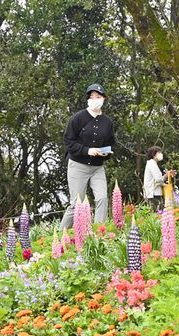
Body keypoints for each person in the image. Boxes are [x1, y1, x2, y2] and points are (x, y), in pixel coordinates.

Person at [60, 83, 116, 229]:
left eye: (98, 97)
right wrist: (87, 150)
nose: (95, 100)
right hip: (78, 165)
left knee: (102, 198)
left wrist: (105, 152)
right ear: (88, 100)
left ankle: (99, 233)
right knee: (76, 203)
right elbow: (68, 141)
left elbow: (111, 144)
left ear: (103, 99)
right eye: (92, 97)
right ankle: (60, 235)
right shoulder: (77, 118)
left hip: (97, 167)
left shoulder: (108, 122)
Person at [143, 146, 174, 211]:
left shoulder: (152, 163)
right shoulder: (152, 164)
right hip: (153, 194)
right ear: (153, 154)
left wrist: (167, 175)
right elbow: (158, 180)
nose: (161, 154)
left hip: (153, 193)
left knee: (157, 212)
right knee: (158, 213)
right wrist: (164, 185)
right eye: (159, 152)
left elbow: (158, 178)